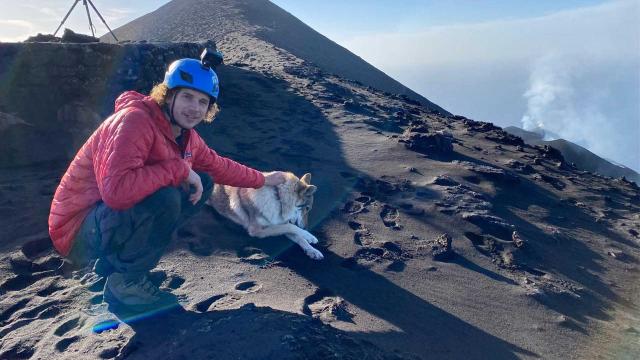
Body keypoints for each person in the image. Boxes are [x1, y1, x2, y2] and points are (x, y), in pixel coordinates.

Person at [48, 50, 285, 309]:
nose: (194, 108)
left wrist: (263, 179)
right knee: (165, 198)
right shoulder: (134, 121)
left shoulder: (185, 135)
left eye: (202, 102)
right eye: (187, 97)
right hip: (76, 230)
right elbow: (116, 192)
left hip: (104, 221)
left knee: (203, 182)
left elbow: (220, 167)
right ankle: (126, 282)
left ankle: (116, 265)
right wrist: (179, 169)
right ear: (168, 94)